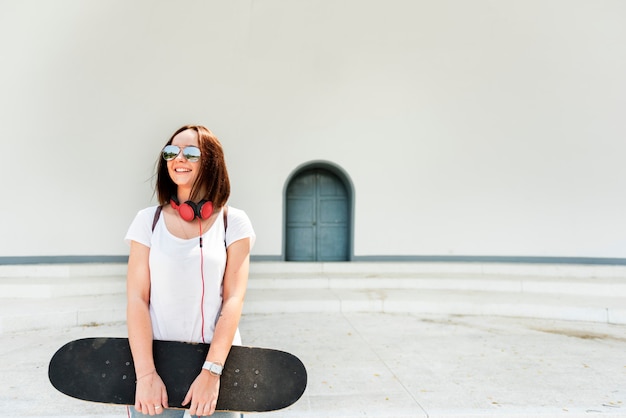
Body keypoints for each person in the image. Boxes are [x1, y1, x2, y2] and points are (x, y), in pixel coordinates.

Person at [124, 125, 255, 417]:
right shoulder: (147, 222)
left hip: (219, 364)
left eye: (191, 153)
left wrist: (212, 372)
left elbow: (234, 299)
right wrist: (146, 375)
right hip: (157, 365)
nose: (178, 158)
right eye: (171, 151)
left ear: (211, 161)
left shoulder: (234, 222)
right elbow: (136, 299)